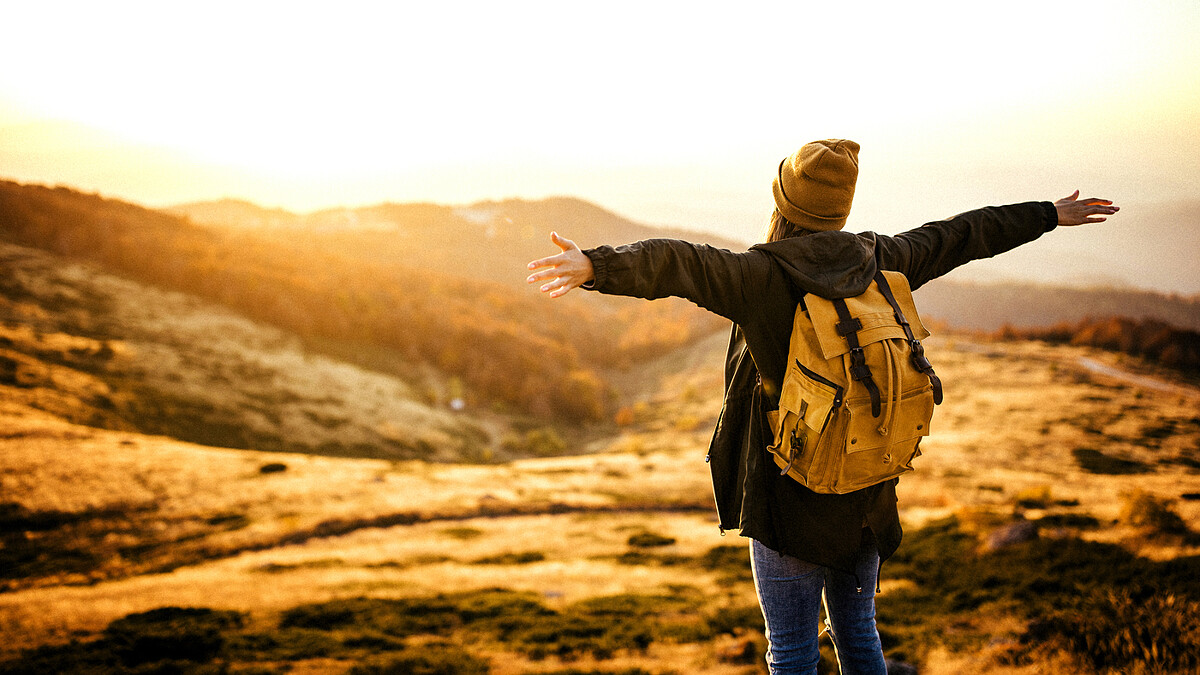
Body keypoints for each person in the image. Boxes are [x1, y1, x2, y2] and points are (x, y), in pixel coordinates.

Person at [525, 139, 1118, 674]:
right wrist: (1048, 214)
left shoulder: (760, 277)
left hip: (790, 502)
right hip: (866, 492)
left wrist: (596, 265)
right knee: (858, 633)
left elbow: (679, 261)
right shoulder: (881, 260)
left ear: (784, 203)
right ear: (841, 209)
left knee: (791, 652)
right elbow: (962, 234)